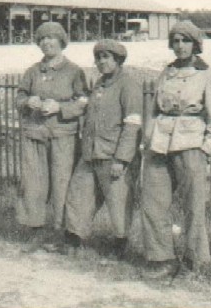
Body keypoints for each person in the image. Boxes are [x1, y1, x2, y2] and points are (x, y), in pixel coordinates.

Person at [141, 20, 211, 278]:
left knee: (193, 206)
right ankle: (162, 259)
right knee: (153, 202)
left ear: (195, 44)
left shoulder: (207, 75)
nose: (180, 46)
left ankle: (195, 262)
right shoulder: (166, 72)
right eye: (176, 41)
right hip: (159, 144)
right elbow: (155, 110)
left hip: (191, 144)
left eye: (186, 41)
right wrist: (148, 139)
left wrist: (206, 148)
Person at [63, 39, 142, 259]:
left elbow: (132, 124)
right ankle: (73, 239)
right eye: (98, 58)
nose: (101, 62)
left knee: (118, 202)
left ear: (117, 60)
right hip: (91, 153)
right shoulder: (99, 84)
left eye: (106, 57)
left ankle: (120, 246)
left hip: (113, 156)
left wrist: (122, 159)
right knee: (79, 195)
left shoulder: (128, 85)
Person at [15, 22, 88, 252]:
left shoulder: (74, 71)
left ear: (61, 41)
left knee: (62, 184)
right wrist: (28, 102)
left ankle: (64, 234)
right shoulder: (33, 71)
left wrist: (60, 108)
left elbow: (83, 102)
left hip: (62, 137)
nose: (47, 42)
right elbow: (19, 96)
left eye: (52, 38)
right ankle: (35, 231)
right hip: (35, 135)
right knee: (34, 184)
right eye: (42, 39)